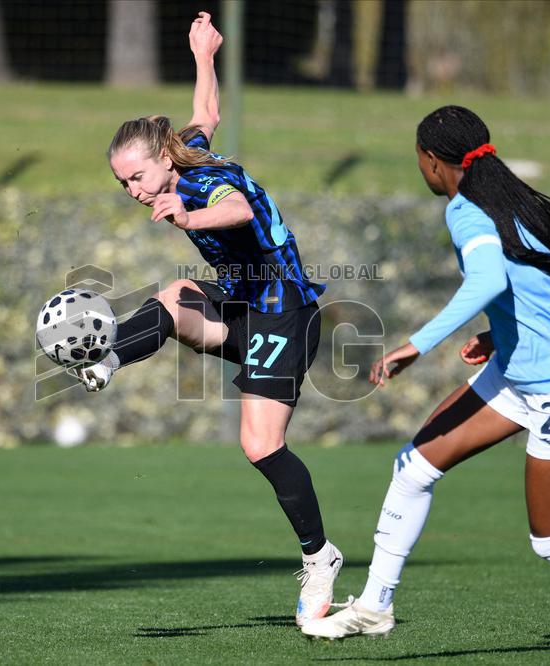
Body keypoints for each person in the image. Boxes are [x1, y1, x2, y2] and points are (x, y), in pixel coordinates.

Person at [300, 105, 550, 659]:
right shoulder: (511, 200)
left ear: (432, 160)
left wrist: (414, 345)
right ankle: (374, 607)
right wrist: (500, 335)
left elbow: (492, 277)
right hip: (515, 375)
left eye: (418, 159)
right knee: (413, 467)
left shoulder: (467, 210)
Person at [71, 12, 343, 626]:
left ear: (161, 163)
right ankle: (109, 357)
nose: (135, 189)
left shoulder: (205, 183)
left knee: (258, 444)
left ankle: (320, 557)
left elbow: (240, 208)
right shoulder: (182, 152)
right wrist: (204, 54)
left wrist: (188, 220)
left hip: (285, 311)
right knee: (176, 296)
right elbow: (208, 113)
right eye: (124, 183)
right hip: (243, 304)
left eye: (136, 176)